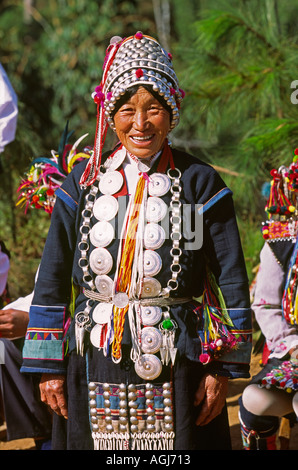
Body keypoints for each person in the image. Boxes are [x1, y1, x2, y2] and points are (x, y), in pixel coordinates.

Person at [21, 32, 252, 451]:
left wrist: (223, 369)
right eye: (127, 110)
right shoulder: (83, 185)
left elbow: (231, 278)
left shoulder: (199, 185)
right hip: (93, 361)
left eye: (154, 110)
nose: (141, 124)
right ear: (110, 117)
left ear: (173, 113)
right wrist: (48, 368)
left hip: (179, 361)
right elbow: (52, 279)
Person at [0, 130, 91, 448]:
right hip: (67, 327)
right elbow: (46, 289)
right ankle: (43, 435)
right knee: (8, 347)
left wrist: (30, 322)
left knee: (20, 345)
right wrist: (20, 314)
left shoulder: (100, 239)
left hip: (94, 332)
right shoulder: (64, 240)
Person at [239, 151, 298, 450]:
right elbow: (266, 305)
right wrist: (292, 346)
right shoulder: (282, 242)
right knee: (254, 398)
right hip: (294, 353)